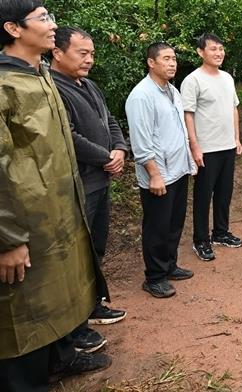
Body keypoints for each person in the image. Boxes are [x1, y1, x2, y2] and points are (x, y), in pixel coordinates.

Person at [0, 0, 110, 390]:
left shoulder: (41, 75)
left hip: (59, 210)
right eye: (42, 17)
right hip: (23, 222)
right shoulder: (5, 84)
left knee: (61, 291)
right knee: (24, 309)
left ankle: (61, 358)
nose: (51, 24)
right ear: (14, 29)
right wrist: (8, 238)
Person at [50, 27, 128, 354]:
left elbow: (109, 120)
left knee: (95, 247)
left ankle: (93, 304)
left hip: (101, 181)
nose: (90, 60)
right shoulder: (53, 89)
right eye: (83, 53)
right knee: (75, 257)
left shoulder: (89, 85)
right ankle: (73, 329)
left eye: (92, 54)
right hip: (78, 185)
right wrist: (105, 156)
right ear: (57, 52)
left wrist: (121, 148)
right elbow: (67, 136)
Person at [126, 42, 196, 299]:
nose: (172, 63)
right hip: (159, 174)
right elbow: (141, 143)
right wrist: (154, 174)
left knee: (174, 223)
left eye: (174, 58)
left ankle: (169, 265)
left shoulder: (171, 91)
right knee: (157, 226)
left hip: (178, 170)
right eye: (166, 58)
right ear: (151, 62)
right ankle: (154, 277)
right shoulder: (141, 96)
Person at [180, 33, 242, 263]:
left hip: (227, 146)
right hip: (206, 149)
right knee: (203, 195)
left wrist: (236, 138)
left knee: (224, 193)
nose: (219, 53)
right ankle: (201, 240)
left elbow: (233, 108)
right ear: (200, 52)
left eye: (221, 49)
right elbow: (188, 114)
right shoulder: (192, 80)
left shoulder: (227, 77)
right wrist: (194, 146)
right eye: (213, 49)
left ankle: (220, 232)